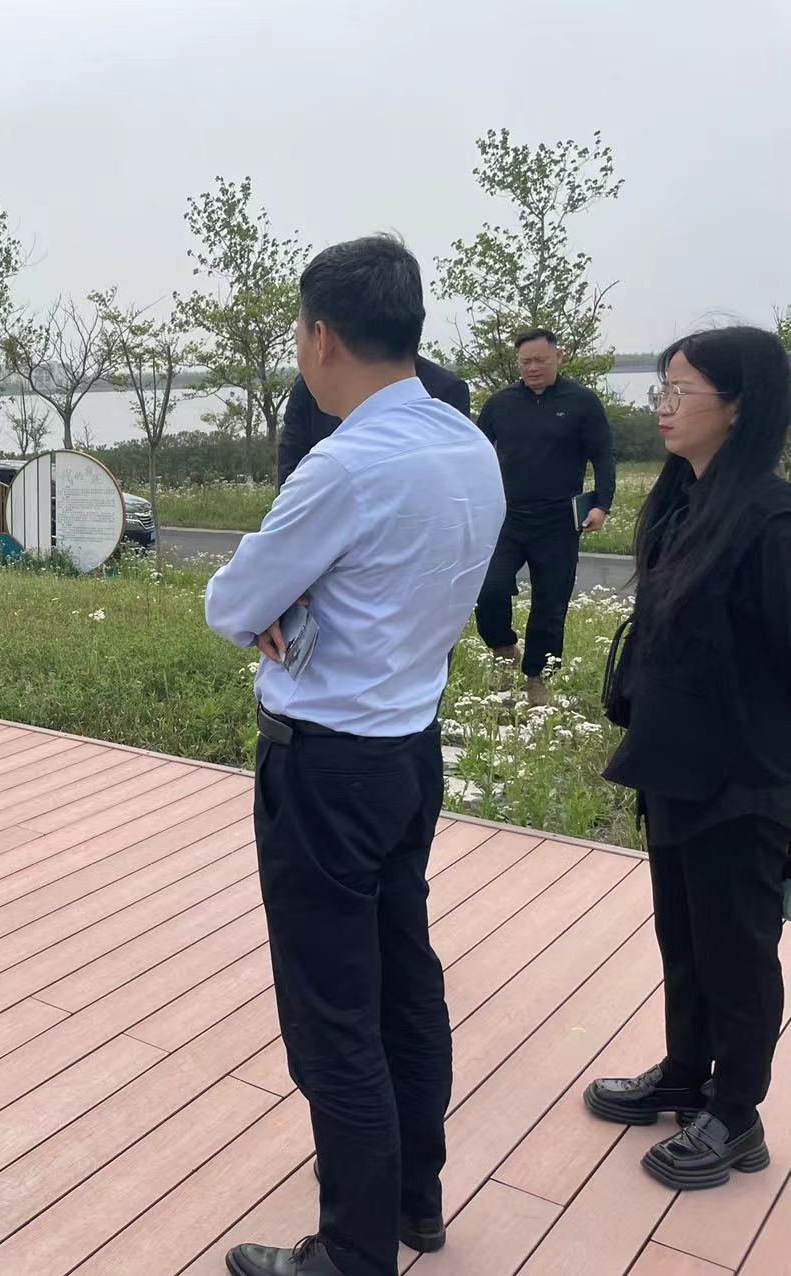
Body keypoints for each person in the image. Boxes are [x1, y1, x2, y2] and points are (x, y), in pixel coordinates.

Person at [206, 236, 505, 1276]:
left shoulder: (344, 464)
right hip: (409, 752)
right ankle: (414, 1198)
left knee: (332, 1014)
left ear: (322, 336)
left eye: (299, 330)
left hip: (326, 767)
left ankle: (352, 1251)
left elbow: (231, 602)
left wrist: (280, 597)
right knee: (403, 978)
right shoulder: (466, 443)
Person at [584, 326, 791, 1191]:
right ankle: (685, 1074)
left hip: (744, 781)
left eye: (681, 392)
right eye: (660, 390)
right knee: (685, 937)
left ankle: (736, 1113)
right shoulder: (684, 502)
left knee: (738, 949)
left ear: (738, 408)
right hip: (674, 764)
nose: (662, 408)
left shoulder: (771, 523)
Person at [473, 329, 617, 706]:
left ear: (558, 357)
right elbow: (474, 451)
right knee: (489, 589)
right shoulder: (500, 403)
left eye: (540, 360)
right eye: (526, 362)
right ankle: (503, 648)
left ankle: (538, 678)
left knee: (551, 605)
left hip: (558, 520)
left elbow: (603, 454)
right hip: (506, 517)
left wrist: (602, 504)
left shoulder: (582, 402)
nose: (533, 368)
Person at [278, 354, 471, 485]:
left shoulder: (447, 389)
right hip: (319, 521)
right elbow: (290, 463)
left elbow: (453, 477)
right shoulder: (311, 385)